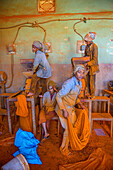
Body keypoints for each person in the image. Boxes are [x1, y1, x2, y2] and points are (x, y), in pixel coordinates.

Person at [56, 64, 91, 156]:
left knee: (75, 126)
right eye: (79, 72)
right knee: (68, 129)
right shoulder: (70, 83)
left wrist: (80, 104)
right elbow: (58, 96)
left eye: (83, 73)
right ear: (75, 72)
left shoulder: (79, 83)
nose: (81, 75)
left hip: (70, 108)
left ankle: (71, 143)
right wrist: (63, 110)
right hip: (62, 107)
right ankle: (64, 149)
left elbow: (75, 97)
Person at [84, 32, 99, 97]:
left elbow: (95, 60)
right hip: (87, 67)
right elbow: (86, 56)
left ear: (90, 40)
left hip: (93, 67)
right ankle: (88, 94)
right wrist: (83, 60)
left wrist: (88, 63)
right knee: (87, 82)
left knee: (91, 82)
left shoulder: (94, 46)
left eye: (86, 41)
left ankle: (92, 95)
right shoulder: (87, 46)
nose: (85, 42)